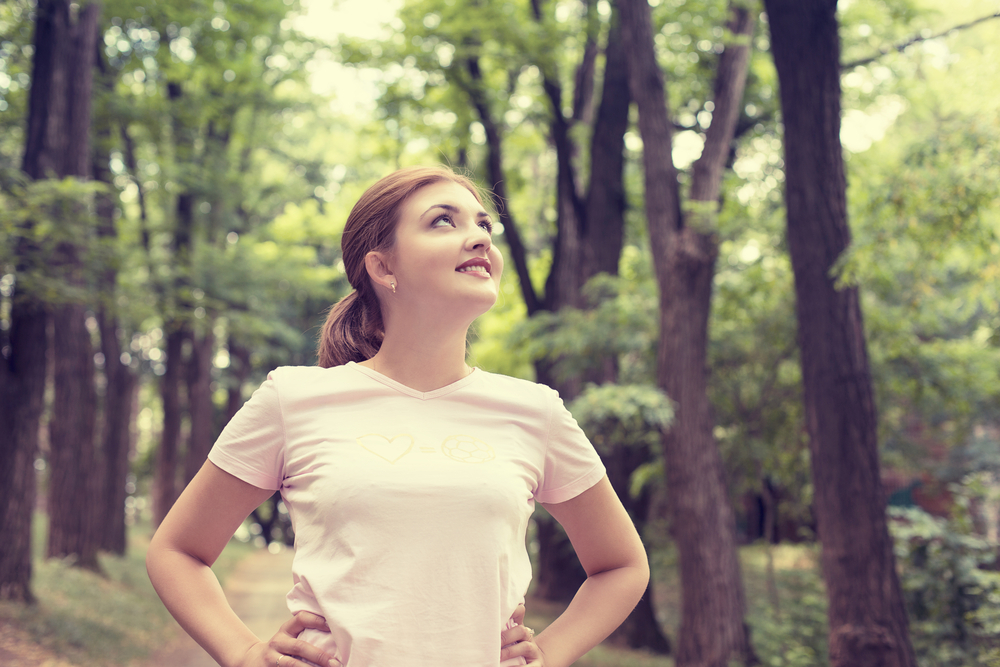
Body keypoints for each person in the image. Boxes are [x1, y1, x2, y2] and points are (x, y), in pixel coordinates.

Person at [146, 166, 649, 667]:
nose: (478, 238)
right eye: (443, 222)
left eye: (483, 226)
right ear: (383, 268)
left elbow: (622, 565)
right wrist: (243, 653)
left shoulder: (536, 411)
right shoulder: (292, 398)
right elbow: (177, 551)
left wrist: (552, 653)